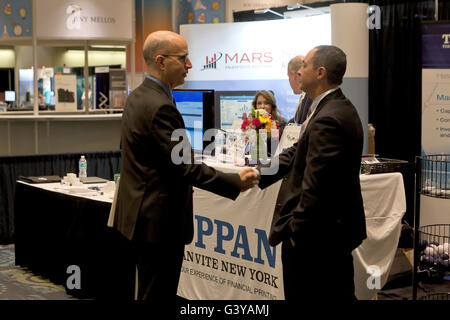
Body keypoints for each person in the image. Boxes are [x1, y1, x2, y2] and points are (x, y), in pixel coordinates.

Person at [113, 30, 259, 305]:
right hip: (158, 223)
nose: (190, 65)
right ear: (161, 61)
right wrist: (234, 181)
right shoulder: (160, 106)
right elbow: (185, 167)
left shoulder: (139, 96)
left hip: (140, 217)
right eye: (184, 58)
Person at [258, 45, 367, 301]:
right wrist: (257, 175)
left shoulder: (329, 116)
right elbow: (296, 152)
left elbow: (316, 186)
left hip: (317, 240)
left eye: (304, 65)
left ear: (319, 72)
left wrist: (297, 231)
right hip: (328, 236)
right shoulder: (325, 107)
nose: (298, 70)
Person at [251, 90, 286, 156]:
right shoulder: (253, 122)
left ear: (272, 105)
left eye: (266, 103)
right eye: (259, 103)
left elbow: (275, 147)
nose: (262, 106)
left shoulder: (281, 123)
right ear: (255, 106)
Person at [287, 55, 313, 125]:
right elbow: (296, 121)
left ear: (294, 76)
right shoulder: (304, 96)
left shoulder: (310, 97)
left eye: (288, 77)